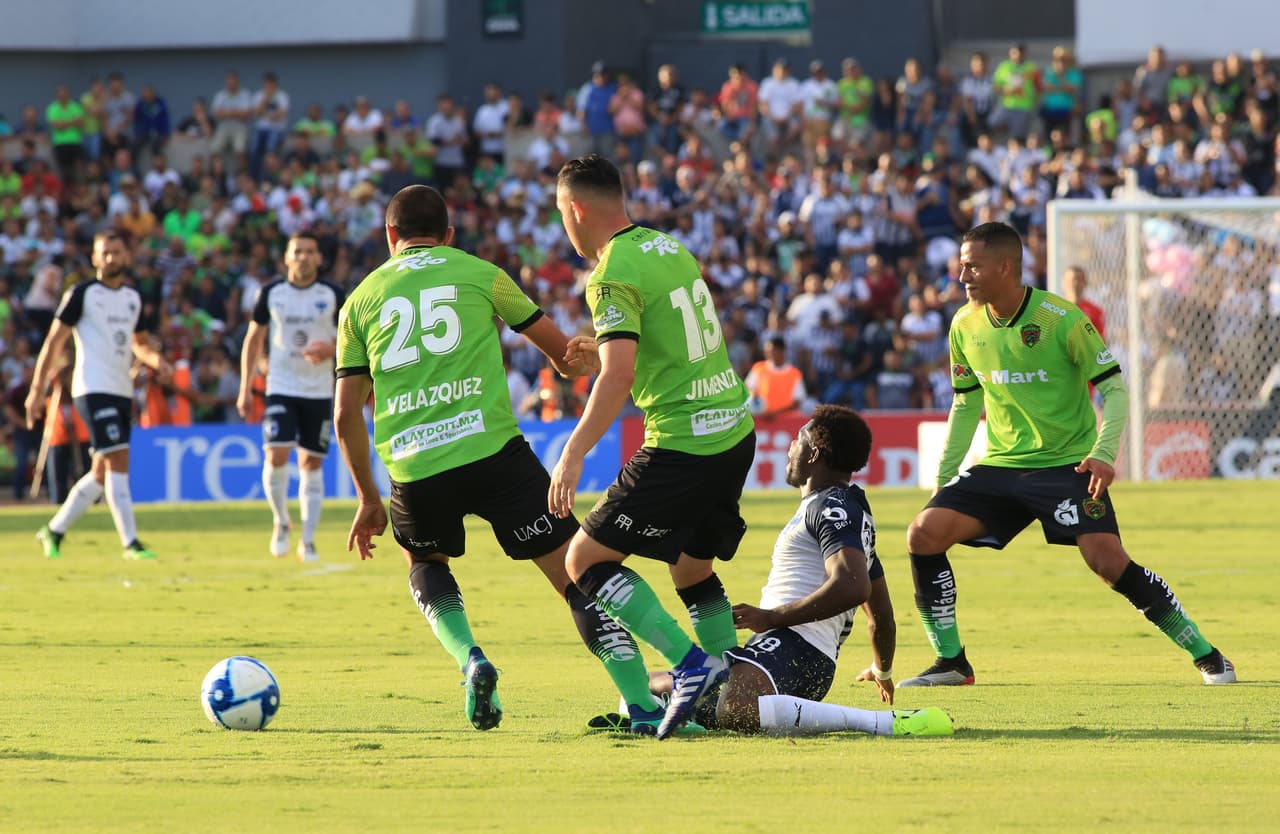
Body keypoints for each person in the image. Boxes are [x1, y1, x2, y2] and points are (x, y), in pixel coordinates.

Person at [333, 184, 660, 735]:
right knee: (577, 577)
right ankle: (642, 704)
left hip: (415, 467)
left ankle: (471, 660)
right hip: (494, 454)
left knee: (426, 564)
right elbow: (561, 354)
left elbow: (345, 417)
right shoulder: (481, 273)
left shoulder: (360, 301)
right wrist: (580, 357)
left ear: (390, 237)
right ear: (450, 236)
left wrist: (369, 498)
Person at [898, 222, 1235, 688]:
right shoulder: (964, 325)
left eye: (971, 266)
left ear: (1005, 266)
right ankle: (951, 661)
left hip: (1067, 465)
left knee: (1107, 561)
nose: (962, 277)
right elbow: (965, 400)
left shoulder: (1062, 318)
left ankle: (1206, 652)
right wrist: (946, 474)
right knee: (923, 533)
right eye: (961, 266)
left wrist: (1103, 452)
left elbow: (1114, 389)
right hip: (1002, 465)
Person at [548, 155, 756, 740]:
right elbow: (671, 346)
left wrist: (573, 451)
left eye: (561, 213)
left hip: (684, 442)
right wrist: (610, 356)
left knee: (583, 561)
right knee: (692, 569)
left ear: (576, 209)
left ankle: (690, 669)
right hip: (734, 432)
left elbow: (617, 379)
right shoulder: (668, 247)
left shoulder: (610, 274)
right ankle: (729, 684)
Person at [604, 406, 952, 737]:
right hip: (785, 652)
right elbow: (881, 617)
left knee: (736, 707)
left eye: (798, 439)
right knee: (645, 691)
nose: (790, 448)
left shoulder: (831, 507)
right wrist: (883, 670)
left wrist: (770, 617)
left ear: (814, 453)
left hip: (798, 648)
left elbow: (853, 586)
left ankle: (885, 723)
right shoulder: (846, 513)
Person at [25, 231, 170, 560]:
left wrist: (156, 360)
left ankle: (54, 530)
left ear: (126, 256)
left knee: (102, 471)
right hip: (91, 387)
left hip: (121, 389)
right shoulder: (82, 293)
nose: (110, 258)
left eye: (116, 252)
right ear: (94, 258)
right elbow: (54, 340)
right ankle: (130, 542)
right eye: (104, 253)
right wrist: (37, 390)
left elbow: (140, 344)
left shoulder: (133, 298)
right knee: (119, 460)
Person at [236, 232, 343, 561]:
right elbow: (254, 339)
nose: (303, 257)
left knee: (311, 463)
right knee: (276, 454)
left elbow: (356, 339)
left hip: (318, 389)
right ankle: (281, 520)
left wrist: (332, 348)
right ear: (286, 257)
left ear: (319, 258)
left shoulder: (334, 295)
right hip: (281, 386)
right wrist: (245, 387)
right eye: (297, 251)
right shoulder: (271, 293)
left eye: (310, 251)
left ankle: (308, 539)